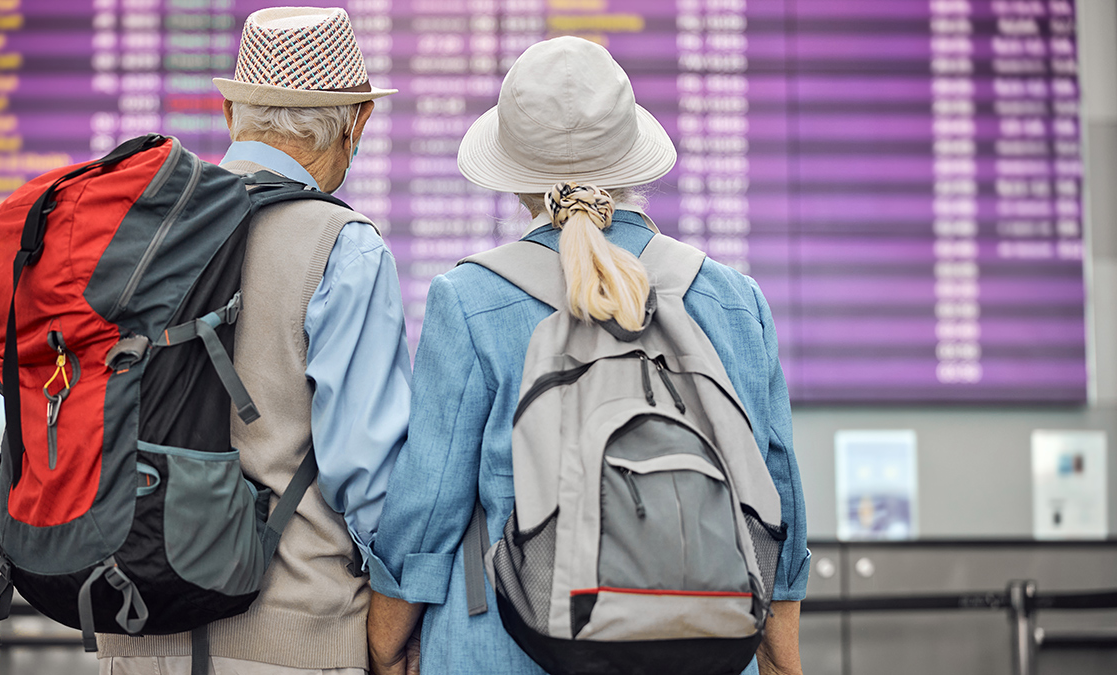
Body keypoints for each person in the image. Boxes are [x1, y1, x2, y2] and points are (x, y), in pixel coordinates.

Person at [365, 36, 808, 675]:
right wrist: (781, 659)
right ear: (632, 163)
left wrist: (385, 642)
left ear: (517, 180)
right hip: (704, 640)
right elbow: (778, 495)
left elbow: (428, 504)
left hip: (504, 646)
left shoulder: (468, 299)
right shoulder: (735, 301)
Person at [97, 7, 411, 675]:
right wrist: (397, 622)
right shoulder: (342, 246)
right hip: (296, 640)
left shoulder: (133, 233)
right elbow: (373, 475)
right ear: (357, 122)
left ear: (231, 112)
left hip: (133, 624)